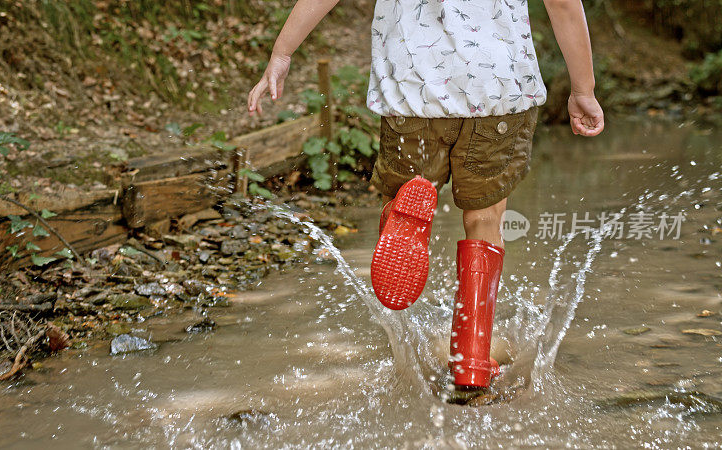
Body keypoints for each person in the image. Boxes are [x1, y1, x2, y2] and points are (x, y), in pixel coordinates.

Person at [247, 0, 604, 389]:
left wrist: (282, 53)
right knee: (484, 220)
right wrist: (582, 88)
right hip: (498, 92)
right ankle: (471, 360)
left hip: (412, 93)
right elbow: (565, 5)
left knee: (405, 193)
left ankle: (403, 220)